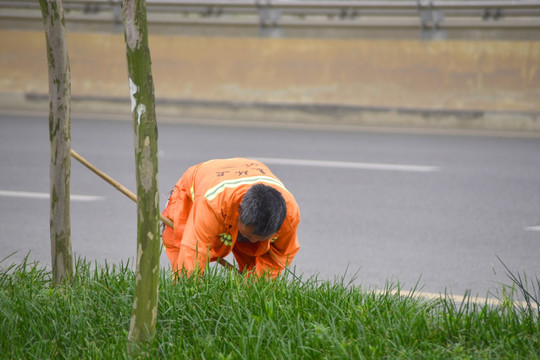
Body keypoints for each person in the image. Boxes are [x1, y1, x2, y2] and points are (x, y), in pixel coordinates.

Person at [161, 157, 300, 278]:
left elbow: (279, 256)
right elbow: (193, 252)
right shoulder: (212, 204)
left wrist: (256, 286)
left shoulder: (290, 214)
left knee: (256, 274)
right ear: (239, 211)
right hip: (198, 193)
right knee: (185, 256)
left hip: (242, 177)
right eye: (249, 237)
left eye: (260, 240)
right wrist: (191, 300)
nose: (254, 242)